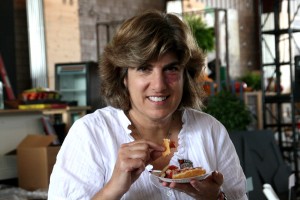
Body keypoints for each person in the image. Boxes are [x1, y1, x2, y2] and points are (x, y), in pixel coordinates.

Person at [48, 10, 248, 200]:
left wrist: (215, 198)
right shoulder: (91, 134)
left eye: (171, 69)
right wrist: (114, 188)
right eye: (144, 68)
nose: (159, 85)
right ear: (123, 76)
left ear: (185, 76)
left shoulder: (210, 131)